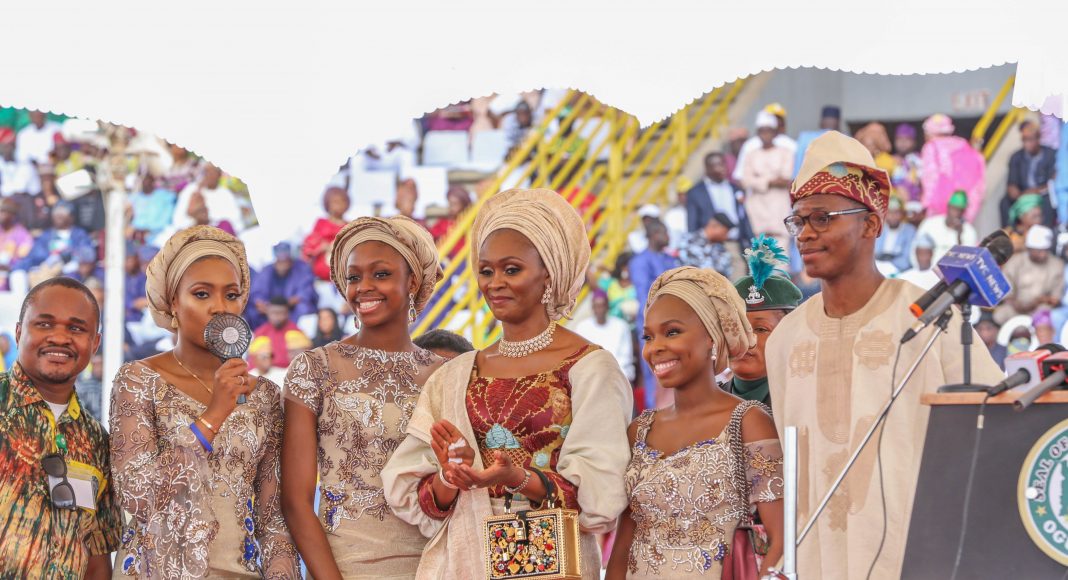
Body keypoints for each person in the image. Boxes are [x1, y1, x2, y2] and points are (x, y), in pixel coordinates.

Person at [765, 131, 1002, 580]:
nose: (806, 234)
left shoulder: (930, 317)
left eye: (822, 218)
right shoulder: (785, 340)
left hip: (916, 557)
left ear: (871, 225)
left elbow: (991, 422)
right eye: (798, 221)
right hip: (814, 560)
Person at [382, 188, 632, 579]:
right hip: (463, 562)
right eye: (486, 271)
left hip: (553, 564)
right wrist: (451, 475)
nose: (495, 282)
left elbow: (598, 502)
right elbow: (420, 503)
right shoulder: (454, 375)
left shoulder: (589, 367)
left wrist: (517, 478)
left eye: (511, 269)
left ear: (548, 273)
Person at [109, 225, 299, 578]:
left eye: (232, 295)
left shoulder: (264, 396)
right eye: (201, 294)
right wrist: (214, 413)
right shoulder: (138, 379)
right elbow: (136, 495)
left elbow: (273, 520)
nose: (219, 307)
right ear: (173, 303)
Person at [281, 215, 445, 579]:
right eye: (353, 278)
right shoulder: (315, 369)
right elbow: (295, 501)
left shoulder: (445, 375)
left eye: (381, 274)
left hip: (434, 567)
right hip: (344, 568)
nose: (364, 287)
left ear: (412, 281)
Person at [606, 265, 783, 579]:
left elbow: (779, 541)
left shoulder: (749, 421)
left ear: (712, 338)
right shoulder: (640, 430)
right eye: (648, 336)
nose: (655, 347)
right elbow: (623, 545)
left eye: (672, 332)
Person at [0, 277, 121, 578]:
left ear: (95, 343)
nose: (59, 337)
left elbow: (96, 556)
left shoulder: (97, 442)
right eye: (44, 324)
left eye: (76, 328)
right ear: (19, 332)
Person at [730, 235, 803, 406]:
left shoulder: (800, 402)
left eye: (761, 329)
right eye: (737, 327)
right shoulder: (708, 401)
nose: (746, 339)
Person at [630, 219, 681, 410]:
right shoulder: (639, 261)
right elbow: (644, 296)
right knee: (655, 369)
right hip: (651, 324)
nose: (668, 237)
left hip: (675, 322)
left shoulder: (669, 259)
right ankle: (655, 415)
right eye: (664, 233)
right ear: (653, 235)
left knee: (675, 368)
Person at [741, 110, 794, 249]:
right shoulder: (751, 154)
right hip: (757, 208)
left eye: (769, 131)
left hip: (779, 206)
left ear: (775, 133)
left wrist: (759, 179)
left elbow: (786, 179)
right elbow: (745, 181)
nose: (765, 135)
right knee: (760, 252)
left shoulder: (786, 153)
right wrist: (770, 181)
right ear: (758, 133)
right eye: (762, 131)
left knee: (780, 251)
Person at [919, 113, 985, 222]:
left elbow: (930, 179)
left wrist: (926, 205)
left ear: (928, 133)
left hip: (937, 209)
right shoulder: (963, 145)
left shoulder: (931, 147)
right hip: (961, 207)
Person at [993, 224, 1065, 324]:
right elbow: (1006, 292)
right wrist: (1017, 304)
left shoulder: (1057, 265)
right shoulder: (1015, 262)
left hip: (1041, 307)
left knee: (1046, 313)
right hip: (1016, 307)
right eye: (1039, 250)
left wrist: (1039, 301)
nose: (1043, 254)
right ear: (1029, 249)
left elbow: (1056, 299)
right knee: (1001, 314)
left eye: (1045, 250)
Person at [248, 241, 319, 329]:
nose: (283, 264)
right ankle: (262, 335)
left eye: (286, 260)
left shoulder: (301, 268)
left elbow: (305, 292)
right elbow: (256, 293)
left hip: (291, 308)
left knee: (303, 307)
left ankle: (297, 333)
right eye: (280, 260)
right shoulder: (267, 270)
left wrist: (283, 306)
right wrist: (261, 304)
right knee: (252, 311)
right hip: (269, 309)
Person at [686, 151, 752, 243]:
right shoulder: (696, 193)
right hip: (711, 244)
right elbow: (692, 224)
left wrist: (751, 241)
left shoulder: (734, 188)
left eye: (724, 164)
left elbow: (743, 217)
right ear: (707, 168)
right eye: (717, 165)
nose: (723, 168)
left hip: (736, 242)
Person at [1002, 121, 1057, 228]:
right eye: (1024, 140)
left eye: (1030, 139)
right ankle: (1009, 232)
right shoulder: (1016, 157)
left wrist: (1034, 192)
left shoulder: (1051, 155)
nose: (1027, 144)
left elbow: (1053, 181)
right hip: (1023, 195)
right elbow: (1012, 183)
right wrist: (1016, 193)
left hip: (1042, 194)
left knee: (1048, 200)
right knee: (1004, 203)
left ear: (1038, 138)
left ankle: (1047, 230)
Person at [575, 289, 636, 382]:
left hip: (618, 373)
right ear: (593, 308)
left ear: (607, 306)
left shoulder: (621, 326)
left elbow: (626, 357)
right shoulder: (582, 328)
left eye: (602, 305)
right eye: (597, 306)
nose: (600, 310)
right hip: (592, 375)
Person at [731, 103, 797, 184]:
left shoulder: (790, 145)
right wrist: (766, 183)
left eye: (779, 119)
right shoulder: (750, 145)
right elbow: (741, 177)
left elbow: (791, 177)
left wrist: (759, 180)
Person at [170, 163, 244, 234]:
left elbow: (235, 221)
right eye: (205, 172)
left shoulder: (226, 194)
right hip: (194, 231)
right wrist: (196, 219)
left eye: (212, 172)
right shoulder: (191, 190)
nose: (208, 175)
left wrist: (209, 220)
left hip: (218, 232)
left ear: (219, 175)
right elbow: (178, 220)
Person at [301, 186, 350, 282]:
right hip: (323, 274)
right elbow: (310, 245)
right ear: (327, 204)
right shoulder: (321, 223)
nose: (340, 205)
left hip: (344, 273)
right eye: (335, 202)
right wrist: (322, 247)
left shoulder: (350, 226)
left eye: (343, 201)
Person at [915, 190, 977, 264]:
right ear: (948, 207)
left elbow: (966, 260)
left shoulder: (969, 231)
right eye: (953, 208)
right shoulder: (930, 223)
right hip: (927, 269)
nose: (956, 213)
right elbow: (916, 248)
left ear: (963, 212)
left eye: (959, 210)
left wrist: (959, 237)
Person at [794, 106, 841, 178]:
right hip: (834, 181)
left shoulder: (805, 137)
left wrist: (794, 179)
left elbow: (798, 164)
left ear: (821, 122)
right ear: (838, 123)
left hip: (808, 181)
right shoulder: (845, 139)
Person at [128, 173, 177, 244]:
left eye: (148, 182)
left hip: (158, 236)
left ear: (153, 183)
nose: (146, 184)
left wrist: (148, 230)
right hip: (136, 235)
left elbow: (166, 220)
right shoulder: (135, 197)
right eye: (144, 182)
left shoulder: (164, 196)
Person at [253, 297, 301, 370]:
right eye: (273, 312)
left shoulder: (296, 332)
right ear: (268, 312)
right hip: (266, 373)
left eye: (280, 313)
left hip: (289, 372)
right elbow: (253, 360)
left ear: (287, 314)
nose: (276, 317)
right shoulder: (261, 332)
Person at [874, 196, 917, 274]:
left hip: (899, 270)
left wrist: (890, 265)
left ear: (902, 214)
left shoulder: (910, 231)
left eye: (896, 212)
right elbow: (874, 253)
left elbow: (907, 259)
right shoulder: (878, 228)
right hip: (877, 267)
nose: (892, 216)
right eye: (890, 212)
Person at [0, 197, 33, 291]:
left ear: (12, 215)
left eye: (4, 211)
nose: (1, 214)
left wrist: (11, 267)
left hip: (12, 270)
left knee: (18, 276)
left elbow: (25, 257)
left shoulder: (22, 233)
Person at [890, 124, 923, 202]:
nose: (903, 142)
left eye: (907, 139)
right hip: (895, 205)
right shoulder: (889, 160)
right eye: (899, 139)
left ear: (914, 142)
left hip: (916, 203)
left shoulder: (920, 159)